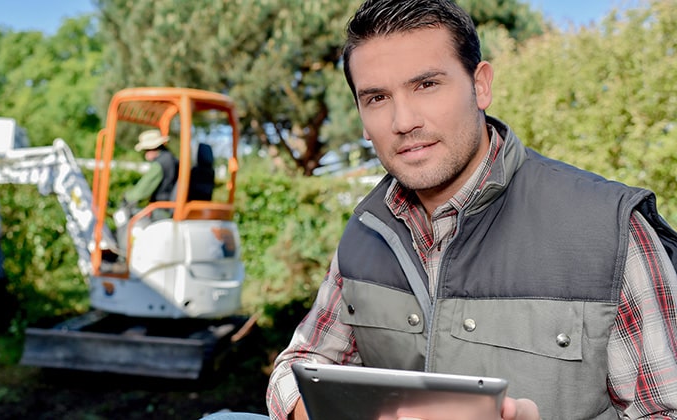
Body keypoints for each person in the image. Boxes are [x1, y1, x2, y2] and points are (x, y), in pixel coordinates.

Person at [261, 0, 677, 420]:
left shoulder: (609, 228)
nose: (403, 120)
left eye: (426, 85)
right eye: (377, 97)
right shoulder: (365, 231)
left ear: (480, 85)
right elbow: (298, 367)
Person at [113, 129, 179, 254]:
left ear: (152, 149)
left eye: (146, 150)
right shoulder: (172, 160)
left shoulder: (159, 165)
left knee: (128, 223)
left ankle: (124, 256)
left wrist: (126, 197)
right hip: (168, 209)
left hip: (162, 211)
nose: (145, 154)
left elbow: (141, 191)